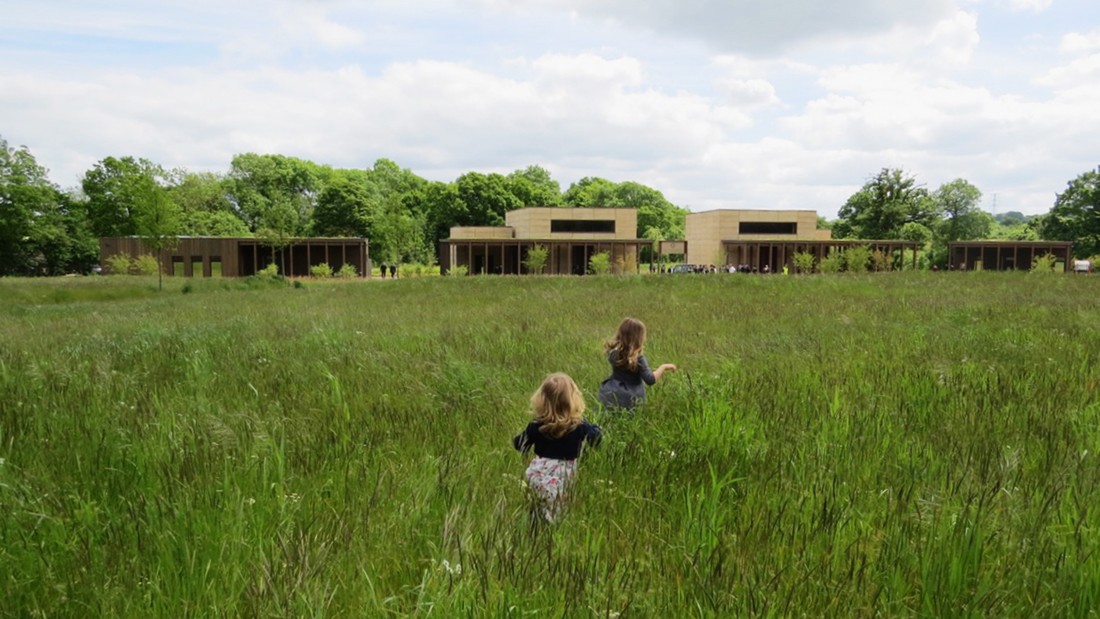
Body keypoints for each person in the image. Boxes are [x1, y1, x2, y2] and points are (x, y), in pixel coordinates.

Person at [513, 373, 602, 522]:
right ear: (573, 400)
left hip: (538, 476)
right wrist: (593, 427)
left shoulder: (537, 426)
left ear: (542, 400)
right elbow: (597, 440)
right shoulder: (578, 426)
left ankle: (535, 527)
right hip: (563, 476)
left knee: (536, 508)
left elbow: (519, 445)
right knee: (559, 510)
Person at [597, 317, 677, 411]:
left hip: (611, 393)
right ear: (639, 338)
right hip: (631, 399)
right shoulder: (638, 359)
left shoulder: (613, 353)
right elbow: (650, 379)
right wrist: (663, 367)